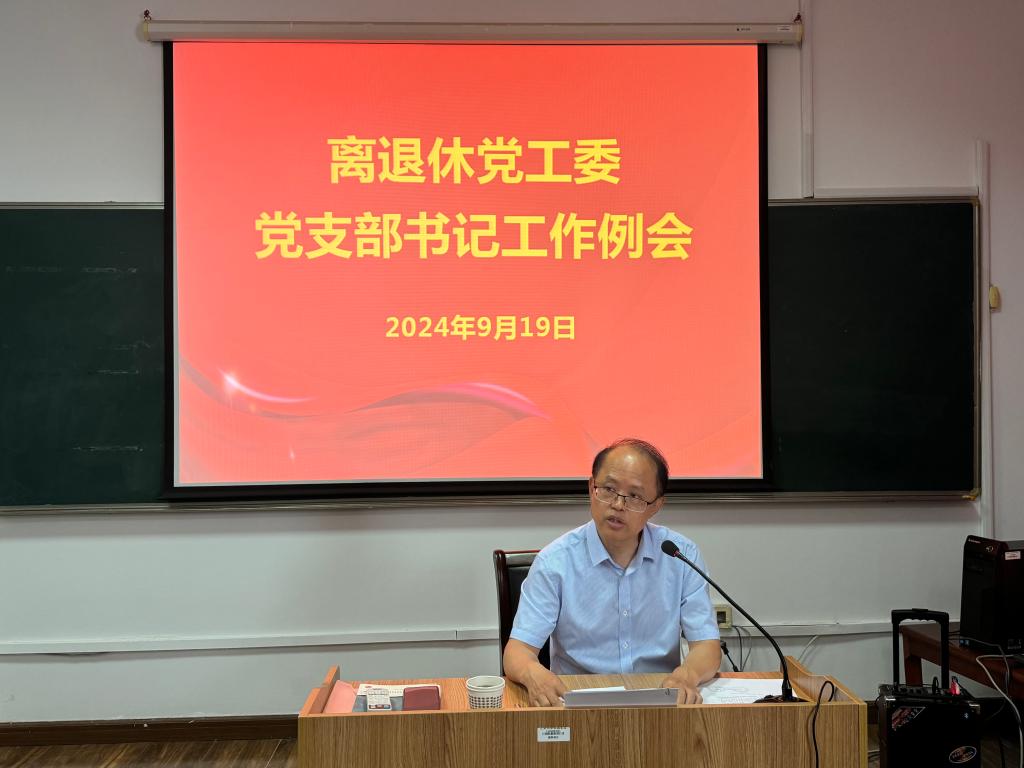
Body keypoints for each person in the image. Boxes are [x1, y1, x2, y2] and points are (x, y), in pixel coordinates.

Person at [503, 438, 722, 706]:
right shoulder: (555, 562)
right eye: (608, 489)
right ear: (591, 488)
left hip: (659, 702)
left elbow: (707, 646)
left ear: (656, 506)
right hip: (579, 705)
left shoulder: (679, 556)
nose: (618, 504)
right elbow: (518, 651)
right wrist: (533, 673)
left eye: (635, 496)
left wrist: (686, 676)